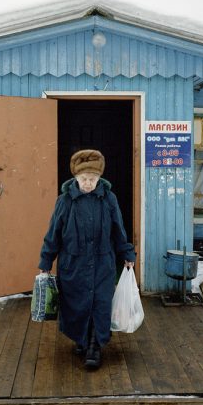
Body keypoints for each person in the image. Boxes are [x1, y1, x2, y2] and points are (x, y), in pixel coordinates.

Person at [38, 149, 135, 369]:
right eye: (84, 179)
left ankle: (94, 346)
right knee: (77, 305)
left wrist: (127, 253)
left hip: (102, 263)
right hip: (74, 264)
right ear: (75, 178)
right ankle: (82, 339)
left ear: (100, 178)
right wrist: (46, 262)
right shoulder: (65, 201)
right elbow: (53, 233)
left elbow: (119, 229)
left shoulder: (109, 199)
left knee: (100, 304)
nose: (88, 183)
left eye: (93, 179)